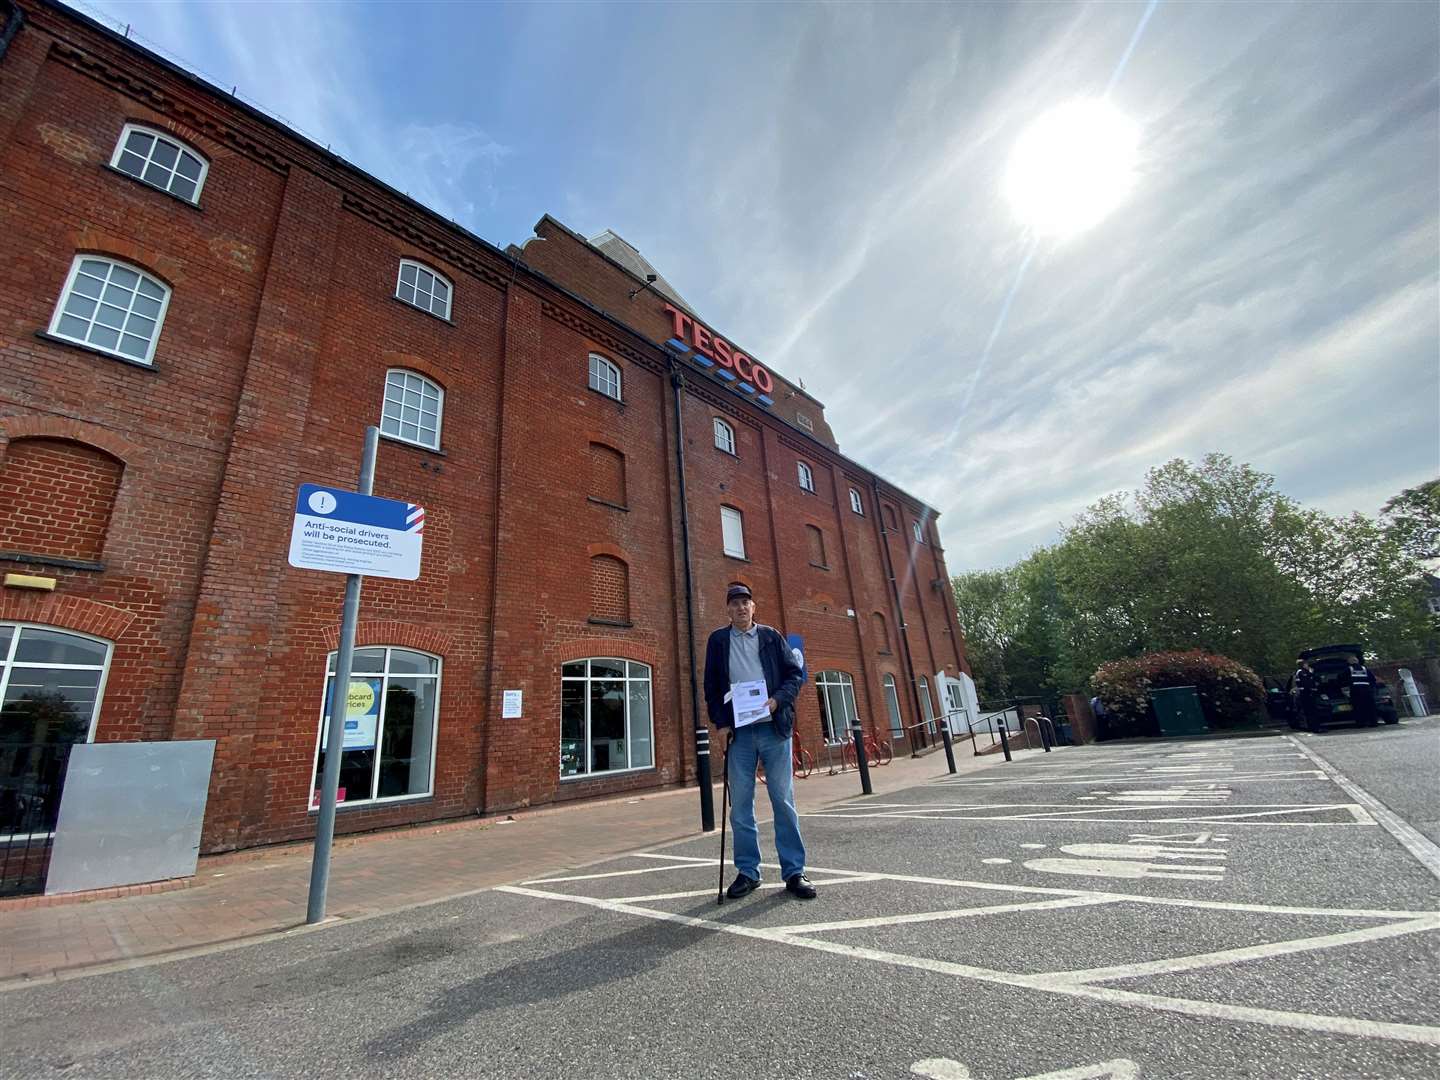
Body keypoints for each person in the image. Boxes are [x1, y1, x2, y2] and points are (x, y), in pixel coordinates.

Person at [703, 583, 814, 900]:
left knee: (782, 800)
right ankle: (748, 872)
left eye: (745, 602)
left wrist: (779, 700)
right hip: (739, 733)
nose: (740, 608)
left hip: (773, 730)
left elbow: (794, 675)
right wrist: (720, 725)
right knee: (740, 807)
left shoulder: (770, 636)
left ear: (754, 607)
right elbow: (711, 686)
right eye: (734, 603)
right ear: (727, 609)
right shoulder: (718, 641)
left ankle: (794, 872)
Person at [1344, 654, 1377, 727]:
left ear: (1349, 662)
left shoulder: (1348, 669)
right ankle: (1373, 722)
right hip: (1367, 690)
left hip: (1356, 691)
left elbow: (1342, 679)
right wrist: (1371, 688)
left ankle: (1361, 723)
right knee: (1370, 706)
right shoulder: (1365, 669)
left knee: (1358, 707)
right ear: (1358, 661)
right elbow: (1373, 679)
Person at [1292, 657, 1319, 731]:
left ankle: (1315, 726)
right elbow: (1306, 683)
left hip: (1308, 693)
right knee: (1309, 711)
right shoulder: (1301, 672)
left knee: (1312, 711)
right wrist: (1311, 673)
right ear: (1303, 665)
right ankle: (1312, 727)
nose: (1308, 665)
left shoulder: (1304, 672)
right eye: (1306, 664)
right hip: (1305, 694)